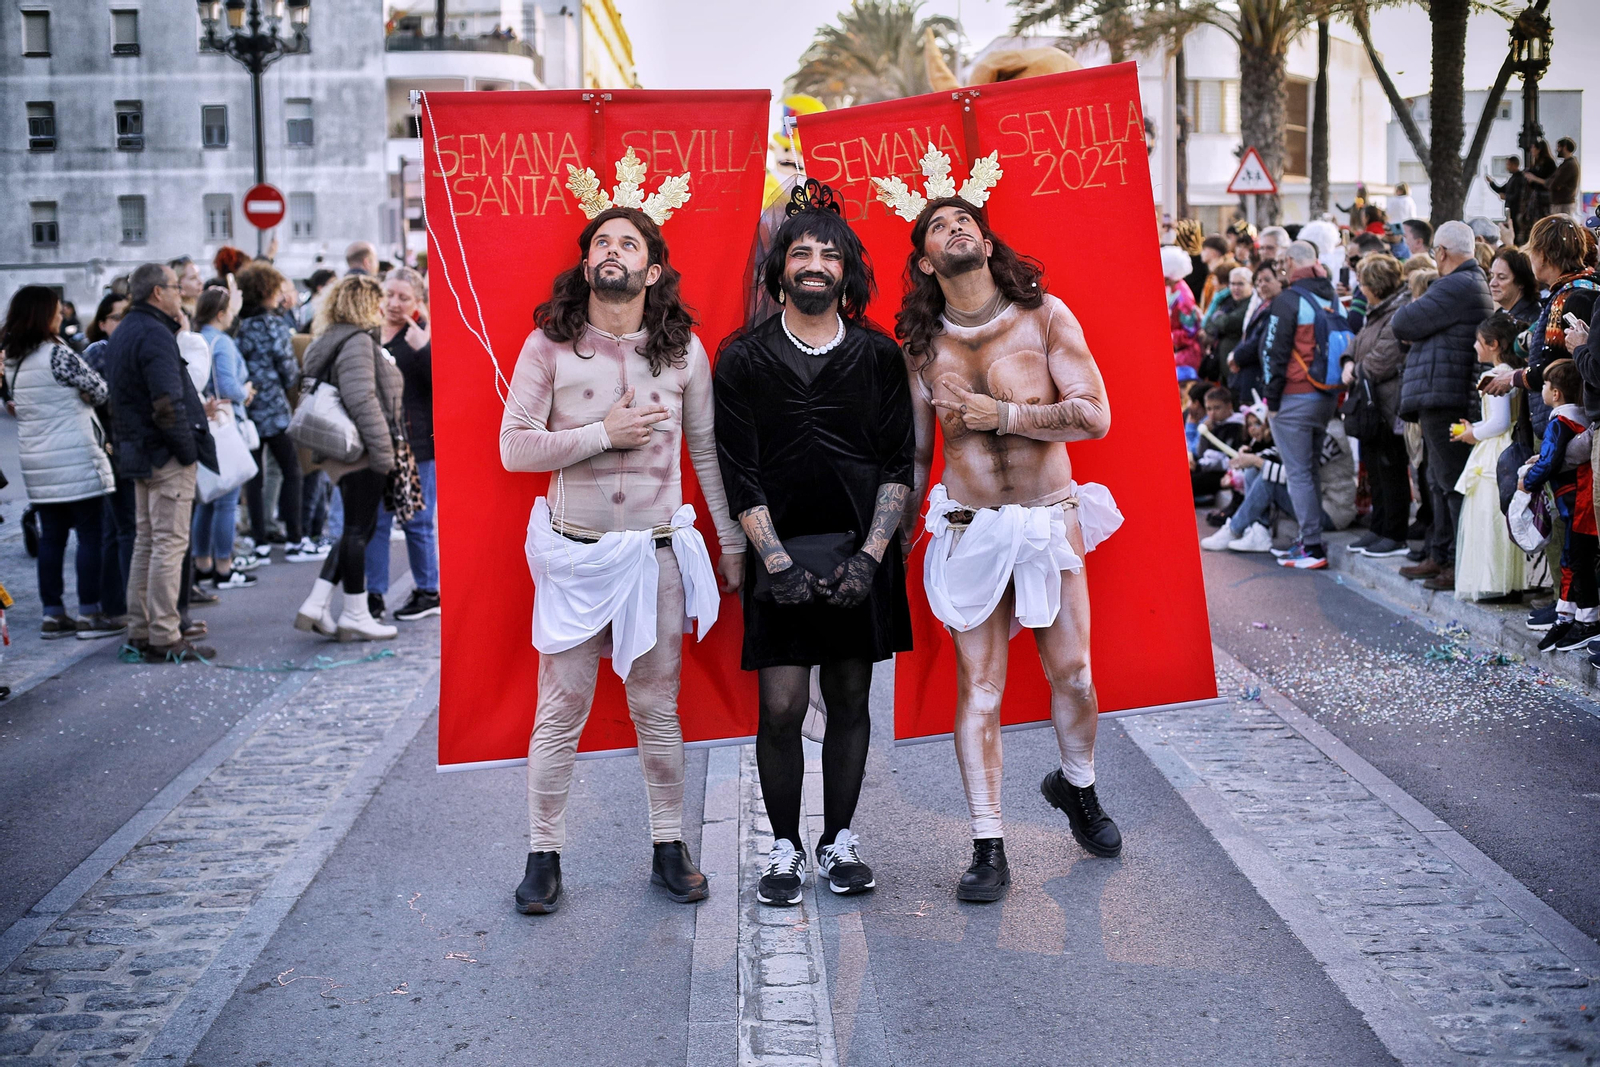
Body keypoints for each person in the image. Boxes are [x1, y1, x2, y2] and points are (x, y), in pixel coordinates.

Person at [879, 161, 1124, 904]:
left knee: (1074, 673)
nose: (956, 229)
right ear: (926, 259)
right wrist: (893, 533)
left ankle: (1075, 786)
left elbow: (1094, 414)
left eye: (966, 221)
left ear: (986, 242)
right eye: (938, 227)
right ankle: (988, 842)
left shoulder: (1045, 315)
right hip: (969, 527)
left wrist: (1006, 416)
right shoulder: (920, 346)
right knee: (980, 687)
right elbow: (920, 450)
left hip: (1049, 521)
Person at [500, 171, 744, 915]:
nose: (612, 251)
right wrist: (604, 433)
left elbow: (707, 452)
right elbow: (514, 449)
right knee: (561, 705)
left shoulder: (684, 355)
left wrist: (731, 538)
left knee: (656, 705)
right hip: (575, 551)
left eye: (627, 242)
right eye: (601, 241)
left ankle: (669, 846)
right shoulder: (548, 345)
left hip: (654, 552)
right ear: (586, 265)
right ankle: (543, 856)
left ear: (653, 268)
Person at [715, 178, 913, 906]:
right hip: (781, 553)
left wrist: (870, 557)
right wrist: (774, 561)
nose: (814, 263)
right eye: (801, 251)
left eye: (829, 254)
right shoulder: (741, 357)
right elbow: (740, 470)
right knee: (781, 706)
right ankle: (784, 847)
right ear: (780, 268)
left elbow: (898, 462)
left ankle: (838, 841)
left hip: (861, 551)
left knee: (853, 697)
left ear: (846, 271)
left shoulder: (878, 354)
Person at [105, 263, 218, 661]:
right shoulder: (153, 333)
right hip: (162, 452)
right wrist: (187, 450)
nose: (180, 293)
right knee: (167, 544)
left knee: (148, 543)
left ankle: (142, 629)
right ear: (157, 293)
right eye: (174, 287)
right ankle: (164, 635)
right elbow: (166, 402)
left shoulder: (126, 331)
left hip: (138, 450)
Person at [292, 275, 409, 646]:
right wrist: (383, 453)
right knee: (360, 530)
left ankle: (317, 603)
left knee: (355, 529)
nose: (381, 309)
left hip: (338, 449)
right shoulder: (357, 341)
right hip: (358, 448)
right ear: (363, 304)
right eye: (376, 301)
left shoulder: (328, 338)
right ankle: (356, 614)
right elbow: (363, 400)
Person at [1, 286, 120, 638]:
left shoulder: (13, 359)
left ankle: (53, 615)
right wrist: (83, 393)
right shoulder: (57, 354)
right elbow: (100, 389)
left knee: (51, 539)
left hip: (37, 463)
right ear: (43, 314)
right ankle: (90, 614)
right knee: (90, 535)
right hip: (75, 458)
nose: (61, 314)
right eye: (55, 310)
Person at [1392, 221, 1496, 591]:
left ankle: (1453, 562)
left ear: (1440, 252)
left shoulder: (1456, 284)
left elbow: (1403, 322)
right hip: (1443, 391)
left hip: (1445, 394)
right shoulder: (1467, 283)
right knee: (1438, 481)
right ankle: (1440, 554)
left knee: (1450, 482)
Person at [1260, 240, 1343, 569]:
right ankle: (1310, 541)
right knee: (1309, 471)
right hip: (1326, 394)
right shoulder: (1331, 295)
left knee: (1298, 473)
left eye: (1282, 262)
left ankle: (1311, 546)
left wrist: (1272, 400)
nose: (1280, 267)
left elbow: (1273, 353)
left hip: (1294, 397)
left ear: (1292, 262)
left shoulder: (1287, 299)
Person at [364, 266, 440, 623]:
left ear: (418, 302)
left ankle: (428, 591)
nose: (394, 303)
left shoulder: (424, 333)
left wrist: (424, 350)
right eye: (389, 294)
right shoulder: (367, 331)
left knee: (418, 521)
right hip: (375, 441)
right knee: (376, 521)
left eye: (403, 297)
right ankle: (373, 595)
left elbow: (441, 388)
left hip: (414, 443)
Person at [235, 262, 318, 562]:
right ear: (268, 291)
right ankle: (296, 539)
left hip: (246, 411)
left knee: (254, 478)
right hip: (274, 410)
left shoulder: (239, 326)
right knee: (291, 471)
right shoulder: (273, 325)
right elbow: (288, 370)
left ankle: (260, 541)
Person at [1523, 360, 1598, 653]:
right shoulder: (1581, 417)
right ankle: (1569, 615)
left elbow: (1551, 459)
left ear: (1555, 394)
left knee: (1575, 560)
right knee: (1578, 559)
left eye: (1544, 385)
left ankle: (1584, 618)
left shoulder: (1559, 422)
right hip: (1583, 497)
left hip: (1576, 502)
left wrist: (1528, 480)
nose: (1541, 389)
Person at [1340, 253, 1412, 558]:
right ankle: (1378, 529)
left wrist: (1353, 369)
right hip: (1372, 404)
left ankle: (1394, 533)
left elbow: (1382, 358)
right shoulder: (1377, 311)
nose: (1360, 289)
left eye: (1363, 283)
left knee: (1391, 470)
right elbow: (1355, 344)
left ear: (1376, 285)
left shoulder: (1397, 312)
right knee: (1377, 470)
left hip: (1387, 405)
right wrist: (1348, 361)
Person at [1452, 313, 1527, 601]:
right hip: (1504, 444)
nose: (1474, 347)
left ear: (1493, 344)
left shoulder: (1495, 375)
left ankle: (1497, 581)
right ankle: (1508, 581)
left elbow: (1499, 421)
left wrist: (1472, 433)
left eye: (1478, 341)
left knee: (1489, 516)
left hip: (1496, 449)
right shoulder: (1511, 370)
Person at [191, 286, 256, 591]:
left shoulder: (195, 338)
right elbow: (229, 386)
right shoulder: (223, 342)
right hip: (224, 422)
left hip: (201, 421)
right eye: (230, 310)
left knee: (207, 498)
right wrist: (247, 392)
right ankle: (224, 567)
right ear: (221, 314)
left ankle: (202, 564)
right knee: (227, 498)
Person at [82, 294, 134, 621]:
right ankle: (121, 604)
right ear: (102, 323)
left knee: (118, 529)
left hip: (119, 447)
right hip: (110, 448)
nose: (122, 323)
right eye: (116, 317)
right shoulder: (99, 352)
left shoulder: (122, 349)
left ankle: (116, 604)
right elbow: (108, 399)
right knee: (121, 529)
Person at [1229, 260, 1280, 407]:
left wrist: (1237, 356)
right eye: (1258, 282)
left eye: (1267, 280)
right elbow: (1248, 336)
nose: (1262, 285)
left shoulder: (1277, 306)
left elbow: (1259, 340)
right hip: (1247, 376)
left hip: (1258, 374)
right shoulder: (1263, 305)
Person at [1191, 386, 1246, 505]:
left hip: (1222, 471)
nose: (1212, 413)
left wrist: (1202, 466)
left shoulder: (1237, 427)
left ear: (1229, 406)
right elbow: (1201, 454)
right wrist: (1205, 435)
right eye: (1209, 409)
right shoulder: (1211, 425)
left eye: (1217, 408)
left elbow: (1230, 458)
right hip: (1206, 467)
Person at [1162, 245, 1203, 381]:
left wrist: (1168, 337)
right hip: (1177, 352)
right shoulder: (1173, 290)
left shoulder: (1183, 298)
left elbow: (1190, 332)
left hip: (1186, 356)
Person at [1488, 247, 1541, 323]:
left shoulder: (1534, 320)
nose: (1492, 284)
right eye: (1492, 276)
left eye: (1502, 277)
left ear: (1521, 282)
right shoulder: (1499, 315)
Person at [1489, 155, 1531, 245]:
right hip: (1511, 210)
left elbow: (1518, 196)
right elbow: (1501, 189)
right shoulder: (1512, 178)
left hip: (1517, 210)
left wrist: (1506, 197)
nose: (1507, 167)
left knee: (1516, 231)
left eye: (1508, 164)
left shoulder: (1520, 178)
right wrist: (1491, 183)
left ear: (1514, 165)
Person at [1548, 137, 1581, 220]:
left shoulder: (1569, 165)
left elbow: (1554, 184)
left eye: (1559, 147)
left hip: (1563, 204)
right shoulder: (1566, 164)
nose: (1557, 150)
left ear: (1565, 148)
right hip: (1562, 203)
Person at [1526, 140, 1557, 224]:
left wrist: (1534, 178)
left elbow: (1549, 181)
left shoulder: (1548, 163)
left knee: (1543, 219)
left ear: (1539, 149)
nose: (1531, 150)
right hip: (1537, 194)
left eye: (1533, 148)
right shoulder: (1536, 163)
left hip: (1544, 196)